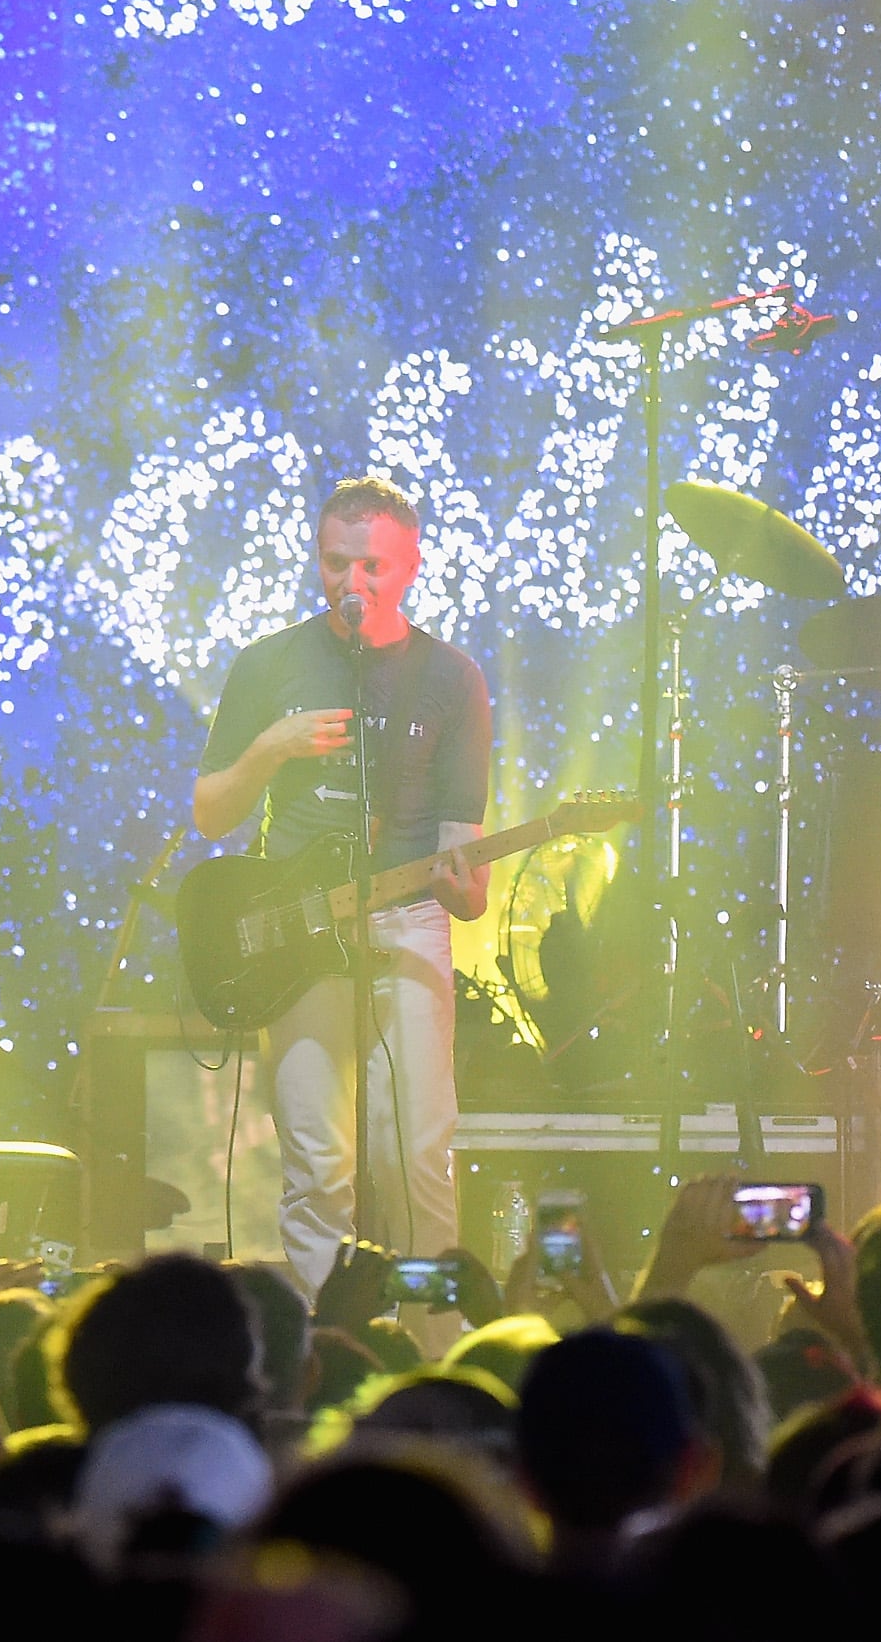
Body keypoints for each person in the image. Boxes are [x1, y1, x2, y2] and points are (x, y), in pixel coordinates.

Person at [193, 477, 492, 1286]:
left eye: (371, 567)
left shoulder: (452, 677)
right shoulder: (269, 664)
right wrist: (271, 749)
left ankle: (434, 1358)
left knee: (417, 1158)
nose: (350, 583)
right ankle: (324, 1357)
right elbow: (211, 814)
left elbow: (465, 856)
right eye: (334, 563)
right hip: (296, 926)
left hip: (406, 921)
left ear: (412, 566)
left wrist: (466, 887)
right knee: (319, 1163)